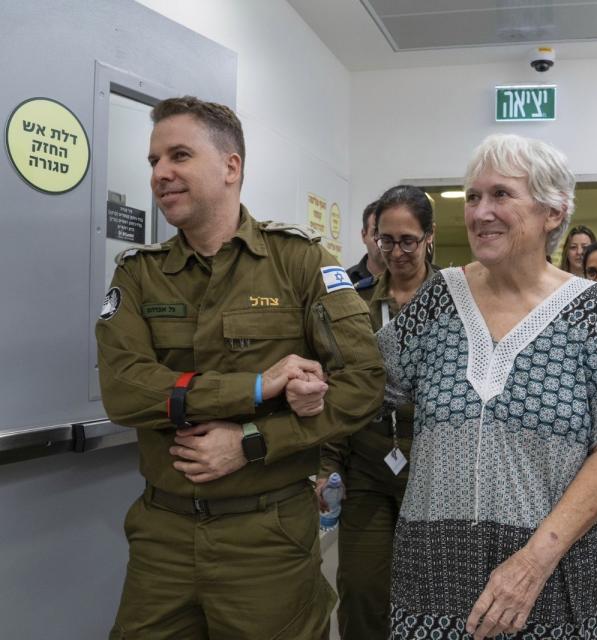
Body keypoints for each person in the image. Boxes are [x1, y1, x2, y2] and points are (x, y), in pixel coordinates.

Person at [95, 96, 385, 639]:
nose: (161, 173)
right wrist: (254, 386)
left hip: (267, 535)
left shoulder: (300, 262)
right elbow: (122, 389)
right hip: (162, 535)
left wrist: (251, 439)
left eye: (179, 155)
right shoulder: (138, 274)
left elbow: (361, 385)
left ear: (232, 166)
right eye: (153, 161)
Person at [379, 133, 597, 639]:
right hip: (438, 569)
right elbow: (367, 381)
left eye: (501, 195)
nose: (480, 212)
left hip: (562, 570)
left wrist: (533, 564)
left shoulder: (593, 309)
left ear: (553, 212)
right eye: (473, 197)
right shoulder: (440, 296)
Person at [317, 184, 436, 640]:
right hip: (368, 461)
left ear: (429, 236)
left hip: (434, 468)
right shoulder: (357, 305)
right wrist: (329, 464)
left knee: (430, 592)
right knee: (362, 588)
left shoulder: (457, 303)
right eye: (386, 240)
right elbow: (338, 387)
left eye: (408, 240)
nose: (397, 252)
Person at [346, 199, 387, 283]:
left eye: (390, 234)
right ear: (364, 235)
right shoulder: (346, 282)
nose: (384, 241)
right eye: (377, 232)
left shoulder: (414, 283)